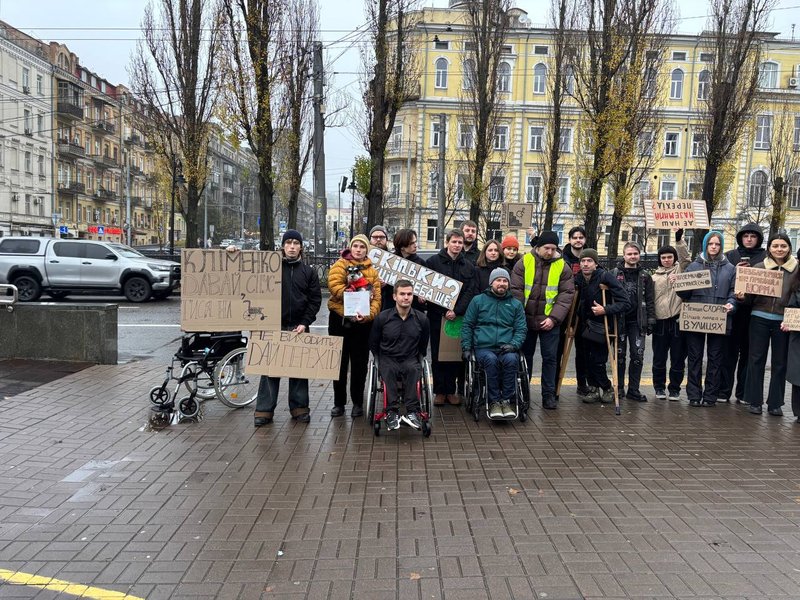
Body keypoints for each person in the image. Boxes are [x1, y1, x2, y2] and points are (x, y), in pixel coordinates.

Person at [253, 230, 322, 426]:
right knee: (269, 370)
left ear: (301, 247)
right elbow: (244, 273)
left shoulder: (309, 272)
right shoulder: (270, 269)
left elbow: (315, 300)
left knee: (299, 370)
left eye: (295, 243)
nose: (292, 246)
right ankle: (264, 411)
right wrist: (232, 252)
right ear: (282, 246)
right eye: (288, 243)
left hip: (298, 326)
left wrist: (305, 323)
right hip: (273, 325)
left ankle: (300, 409)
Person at [510, 230, 575, 410]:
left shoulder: (563, 266)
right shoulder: (524, 262)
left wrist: (554, 318)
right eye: (547, 248)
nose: (550, 252)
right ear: (538, 247)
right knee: (525, 358)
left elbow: (566, 295)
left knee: (550, 359)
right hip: (526, 320)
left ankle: (548, 395)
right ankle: (523, 394)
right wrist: (520, 317)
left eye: (553, 249)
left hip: (549, 321)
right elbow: (516, 290)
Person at [737, 233, 797, 416]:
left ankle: (775, 403)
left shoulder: (797, 270)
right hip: (759, 318)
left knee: (780, 363)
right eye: (775, 246)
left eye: (783, 246)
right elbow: (748, 298)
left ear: (789, 248)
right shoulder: (759, 267)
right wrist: (742, 296)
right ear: (769, 248)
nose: (779, 249)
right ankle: (754, 401)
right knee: (756, 360)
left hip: (784, 322)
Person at [676, 231, 736, 407]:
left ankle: (710, 396)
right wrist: (678, 284)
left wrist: (732, 303)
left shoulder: (730, 268)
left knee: (715, 358)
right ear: (705, 245)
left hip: (719, 318)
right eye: (711, 244)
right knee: (694, 357)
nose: (714, 247)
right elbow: (684, 293)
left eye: (717, 244)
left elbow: (733, 291)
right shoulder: (694, 266)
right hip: (696, 316)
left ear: (721, 246)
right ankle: (694, 395)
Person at [327, 234, 382, 418]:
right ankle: (339, 403)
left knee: (360, 364)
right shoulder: (340, 265)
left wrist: (367, 316)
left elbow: (377, 299)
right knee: (339, 364)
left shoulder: (372, 271)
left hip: (362, 324)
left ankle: (357, 402)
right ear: (351, 247)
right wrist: (353, 293)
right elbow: (334, 287)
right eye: (355, 246)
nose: (358, 249)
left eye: (362, 247)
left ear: (367, 250)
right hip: (340, 320)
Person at [461, 268, 527, 418]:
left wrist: (514, 345)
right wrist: (466, 347)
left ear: (508, 284)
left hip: (507, 347)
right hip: (484, 347)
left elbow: (521, 329)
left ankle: (507, 400)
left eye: (505, 281)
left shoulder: (515, 304)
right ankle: (494, 402)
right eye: (498, 280)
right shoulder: (478, 301)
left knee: (511, 360)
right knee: (490, 361)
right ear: (491, 283)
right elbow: (467, 325)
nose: (501, 284)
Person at [370, 279, 430, 430]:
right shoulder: (383, 318)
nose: (406, 297)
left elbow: (423, 344)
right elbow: (373, 342)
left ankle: (413, 412)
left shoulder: (421, 319)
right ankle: (391, 411)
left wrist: (419, 357)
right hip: (388, 357)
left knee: (413, 370)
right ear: (394, 296)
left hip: (410, 357)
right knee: (388, 371)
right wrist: (378, 358)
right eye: (402, 294)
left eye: (409, 294)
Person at [426, 229, 477, 406]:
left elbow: (470, 290)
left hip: (458, 317)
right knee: (438, 354)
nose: (457, 245)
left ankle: (451, 390)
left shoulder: (468, 265)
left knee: (455, 354)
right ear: (447, 242)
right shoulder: (433, 262)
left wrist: (457, 310)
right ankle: (440, 391)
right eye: (454, 242)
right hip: (437, 316)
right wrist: (443, 311)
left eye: (460, 242)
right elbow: (428, 288)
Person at [574, 248, 629, 404]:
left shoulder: (605, 277)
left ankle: (606, 387)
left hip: (602, 326)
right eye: (583, 261)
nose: (585, 264)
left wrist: (605, 309)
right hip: (584, 326)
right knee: (586, 359)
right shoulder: (578, 279)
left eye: (589, 261)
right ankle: (593, 388)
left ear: (596, 263)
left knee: (597, 361)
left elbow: (625, 302)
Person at [720, 223, 766, 403]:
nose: (748, 239)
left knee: (748, 354)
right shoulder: (731, 255)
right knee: (728, 352)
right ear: (740, 237)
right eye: (745, 235)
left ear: (758, 239)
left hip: (755, 312)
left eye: (753, 236)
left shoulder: (765, 257)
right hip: (733, 312)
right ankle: (723, 391)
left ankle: (743, 393)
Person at [610, 241, 656, 403]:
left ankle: (634, 389)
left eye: (635, 254)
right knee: (619, 355)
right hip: (619, 320)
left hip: (638, 322)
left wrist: (651, 320)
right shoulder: (614, 274)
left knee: (637, 355)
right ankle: (620, 387)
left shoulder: (645, 276)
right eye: (629, 254)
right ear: (624, 255)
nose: (632, 256)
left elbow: (650, 300)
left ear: (639, 255)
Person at [650, 230, 691, 401]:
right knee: (659, 358)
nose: (666, 260)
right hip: (660, 322)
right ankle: (659, 387)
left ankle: (674, 388)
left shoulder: (681, 270)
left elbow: (685, 258)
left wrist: (678, 241)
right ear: (659, 259)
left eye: (669, 257)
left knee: (678, 358)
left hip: (677, 320)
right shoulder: (653, 277)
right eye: (663, 257)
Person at [382, 228, 427, 312]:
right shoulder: (388, 261)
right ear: (402, 247)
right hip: (391, 311)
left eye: (415, 242)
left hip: (413, 312)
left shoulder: (421, 264)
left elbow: (427, 289)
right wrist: (382, 285)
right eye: (412, 243)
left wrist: (423, 296)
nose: (415, 245)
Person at [781, 266, 800, 423]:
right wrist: (788, 321)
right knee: (798, 374)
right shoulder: (797, 285)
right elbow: (792, 308)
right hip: (798, 337)